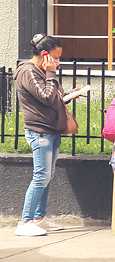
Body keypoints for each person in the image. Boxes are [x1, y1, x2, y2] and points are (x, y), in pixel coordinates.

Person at [15, 34, 77, 236]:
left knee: (47, 176)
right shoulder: (29, 71)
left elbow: (53, 97)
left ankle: (39, 218)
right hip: (40, 132)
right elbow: (46, 97)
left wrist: (67, 95)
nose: (58, 61)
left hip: (51, 130)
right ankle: (25, 223)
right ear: (45, 54)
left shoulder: (42, 72)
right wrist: (51, 74)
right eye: (56, 57)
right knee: (41, 176)